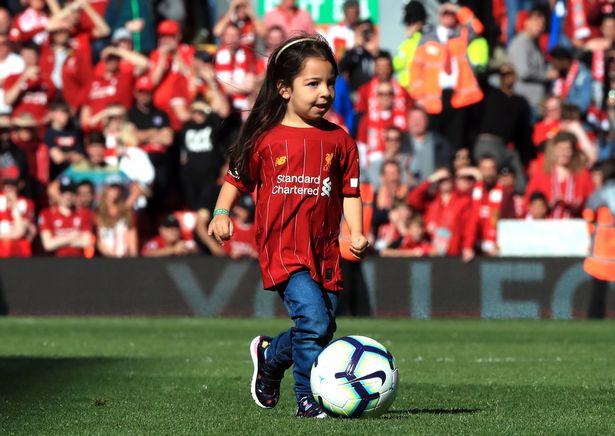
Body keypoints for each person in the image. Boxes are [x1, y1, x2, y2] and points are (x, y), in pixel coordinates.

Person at [207, 36, 367, 418]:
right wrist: (220, 213)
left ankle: (269, 357)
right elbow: (235, 178)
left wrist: (355, 231)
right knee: (313, 321)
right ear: (284, 88)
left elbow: (350, 192)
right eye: (312, 84)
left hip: (324, 250)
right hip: (283, 248)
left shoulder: (340, 141)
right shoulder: (265, 138)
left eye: (330, 82)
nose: (324, 92)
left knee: (321, 327)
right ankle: (308, 399)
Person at [409, 2, 484, 150]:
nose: (449, 17)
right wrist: (419, 96)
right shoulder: (427, 38)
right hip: (434, 97)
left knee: (456, 140)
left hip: (458, 96)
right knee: (435, 140)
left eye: (451, 14)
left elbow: (477, 27)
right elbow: (416, 68)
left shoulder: (461, 34)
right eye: (445, 14)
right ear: (439, 16)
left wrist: (458, 9)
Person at [407, 166, 477, 261]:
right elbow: (412, 199)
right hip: (431, 256)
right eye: (441, 179)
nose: (444, 182)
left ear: (452, 179)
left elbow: (469, 227)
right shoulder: (431, 201)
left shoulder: (463, 201)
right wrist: (431, 180)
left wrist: (468, 246)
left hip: (454, 255)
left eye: (447, 179)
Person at [524, 131, 595, 218]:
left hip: (575, 225)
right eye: (560, 149)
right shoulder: (542, 173)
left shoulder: (583, 174)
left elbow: (592, 202)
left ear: (573, 151)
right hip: (547, 225)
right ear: (553, 150)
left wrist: (574, 205)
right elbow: (528, 202)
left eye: (567, 149)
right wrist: (547, 206)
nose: (564, 153)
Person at [582, 158, 615, 318]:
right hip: (606, 252)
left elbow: (588, 217)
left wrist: (591, 235)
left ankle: (595, 319)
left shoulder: (598, 196)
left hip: (601, 253)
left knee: (598, 295)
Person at [507, 7, 550, 116]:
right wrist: (546, 75)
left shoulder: (535, 44)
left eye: (543, 23)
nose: (540, 26)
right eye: (536, 21)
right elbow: (523, 72)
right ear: (526, 22)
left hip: (535, 104)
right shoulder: (521, 43)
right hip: (526, 103)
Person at [39, 176, 94, 257]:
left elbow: (86, 241)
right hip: (55, 260)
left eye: (71, 192)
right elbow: (48, 245)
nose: (68, 196)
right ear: (60, 194)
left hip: (78, 260)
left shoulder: (83, 213)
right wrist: (73, 236)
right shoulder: (47, 214)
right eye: (64, 192)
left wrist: (58, 241)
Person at [96, 177, 138, 258]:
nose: (116, 191)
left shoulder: (127, 213)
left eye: (119, 188)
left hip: (124, 258)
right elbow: (98, 239)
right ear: (106, 189)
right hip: (105, 258)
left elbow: (131, 234)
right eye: (113, 188)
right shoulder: (98, 212)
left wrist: (133, 256)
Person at [394, 1, 427, 93]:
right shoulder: (407, 42)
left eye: (409, 23)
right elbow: (396, 65)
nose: (407, 27)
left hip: (419, 92)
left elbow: (397, 64)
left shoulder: (424, 41)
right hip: (407, 91)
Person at [549, 45, 594, 113]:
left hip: (575, 118)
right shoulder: (558, 77)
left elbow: (583, 105)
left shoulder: (583, 76)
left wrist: (562, 104)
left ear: (564, 62)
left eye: (555, 64)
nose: (553, 67)